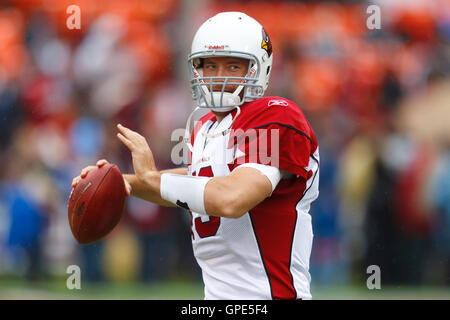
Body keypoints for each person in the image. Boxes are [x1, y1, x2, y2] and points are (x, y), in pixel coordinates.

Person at [72, 12, 320, 300]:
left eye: (233, 66)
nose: (219, 76)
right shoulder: (204, 126)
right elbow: (200, 182)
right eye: (210, 65)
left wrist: (153, 178)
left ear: (258, 68)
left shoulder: (277, 115)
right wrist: (124, 183)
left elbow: (232, 198)